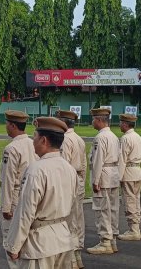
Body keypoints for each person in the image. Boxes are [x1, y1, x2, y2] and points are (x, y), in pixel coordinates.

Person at [4, 117, 77, 268]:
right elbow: (73, 208)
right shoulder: (69, 168)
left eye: (35, 136)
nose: (32, 141)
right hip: (63, 237)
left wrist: (13, 245)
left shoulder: (36, 170)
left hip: (40, 243)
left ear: (44, 140)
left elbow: (25, 212)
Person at [0, 110, 38, 269]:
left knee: (11, 242)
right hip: (30, 195)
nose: (6, 127)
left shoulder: (11, 148)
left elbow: (8, 179)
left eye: (7, 124)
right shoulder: (32, 143)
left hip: (14, 198)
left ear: (13, 125)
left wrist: (6, 207)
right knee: (27, 241)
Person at [86, 108, 121, 255]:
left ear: (100, 120)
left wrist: (95, 180)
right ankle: (112, 239)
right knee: (112, 209)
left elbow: (98, 160)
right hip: (113, 173)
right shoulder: (113, 136)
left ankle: (105, 241)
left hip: (103, 175)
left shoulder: (100, 138)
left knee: (102, 210)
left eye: (94, 119)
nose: (92, 121)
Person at [56, 110, 86, 268]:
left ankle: (72, 259)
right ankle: (77, 257)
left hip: (69, 182)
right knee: (77, 220)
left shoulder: (65, 139)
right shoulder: (78, 139)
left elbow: (64, 165)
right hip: (78, 180)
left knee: (68, 221)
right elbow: (85, 164)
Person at [117, 113, 141, 242]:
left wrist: (118, 177)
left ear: (126, 124)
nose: (119, 125)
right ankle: (135, 227)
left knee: (130, 201)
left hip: (128, 172)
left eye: (121, 123)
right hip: (137, 171)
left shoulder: (125, 138)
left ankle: (133, 230)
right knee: (136, 200)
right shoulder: (137, 136)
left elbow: (122, 159)